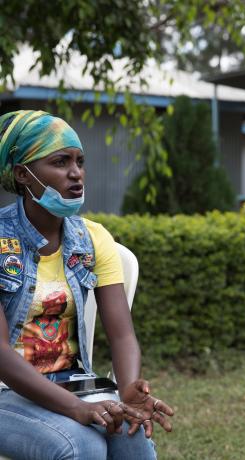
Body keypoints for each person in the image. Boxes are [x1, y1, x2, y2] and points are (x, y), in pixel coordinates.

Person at [0, 110, 174, 459]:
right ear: (23, 174)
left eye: (80, 161)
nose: (76, 173)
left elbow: (122, 334)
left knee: (132, 434)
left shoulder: (92, 239)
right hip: (5, 390)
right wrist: (75, 409)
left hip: (72, 381)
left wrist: (127, 390)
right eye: (60, 162)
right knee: (81, 446)